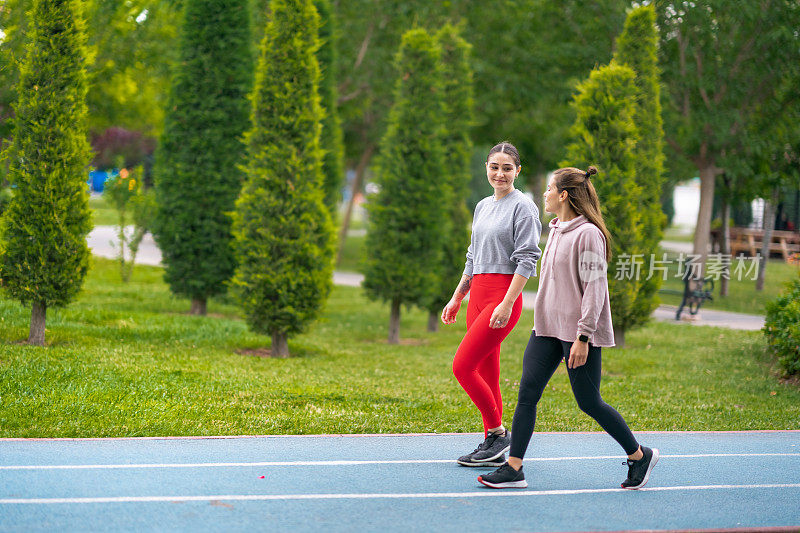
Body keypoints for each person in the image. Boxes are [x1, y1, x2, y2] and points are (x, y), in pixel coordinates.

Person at [477, 166, 659, 490]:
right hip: (546, 328)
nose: (544, 194)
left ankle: (638, 455)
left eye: (549, 188)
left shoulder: (589, 234)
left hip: (577, 335)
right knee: (527, 395)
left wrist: (584, 336)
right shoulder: (557, 228)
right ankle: (514, 467)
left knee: (589, 402)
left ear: (563, 195)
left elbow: (595, 288)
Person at [441, 141, 542, 468]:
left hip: (503, 296)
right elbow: (473, 256)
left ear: (517, 171)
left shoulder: (523, 207)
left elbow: (528, 259)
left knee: (462, 366)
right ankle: (493, 443)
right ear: (486, 167)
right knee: (488, 371)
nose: (499, 174)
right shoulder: (483, 205)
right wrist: (459, 295)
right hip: (478, 295)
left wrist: (508, 302)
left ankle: (499, 434)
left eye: (507, 168)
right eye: (494, 167)